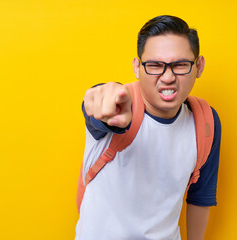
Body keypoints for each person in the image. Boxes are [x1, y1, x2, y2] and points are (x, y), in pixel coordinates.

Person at [75, 15, 221, 240]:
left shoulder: (205, 122)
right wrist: (101, 99)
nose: (168, 77)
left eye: (180, 65)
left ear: (198, 66)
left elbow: (201, 196)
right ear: (137, 67)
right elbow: (99, 105)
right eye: (155, 66)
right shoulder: (119, 106)